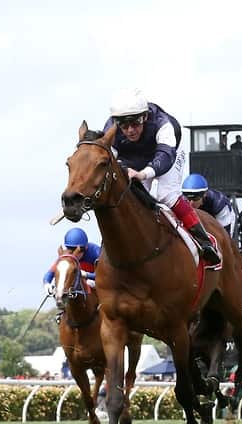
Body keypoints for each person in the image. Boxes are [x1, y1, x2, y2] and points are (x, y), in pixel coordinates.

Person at [103, 88, 219, 265]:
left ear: (145, 117)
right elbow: (108, 159)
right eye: (124, 126)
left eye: (135, 123)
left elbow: (164, 157)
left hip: (167, 154)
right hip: (134, 159)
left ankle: (204, 241)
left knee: (165, 194)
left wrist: (143, 174)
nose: (130, 130)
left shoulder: (162, 123)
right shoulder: (110, 129)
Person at [42, 227, 101, 295]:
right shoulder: (66, 256)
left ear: (85, 248)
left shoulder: (96, 252)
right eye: (70, 249)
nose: (74, 254)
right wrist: (47, 284)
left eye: (78, 250)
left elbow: (106, 275)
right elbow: (50, 273)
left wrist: (87, 275)